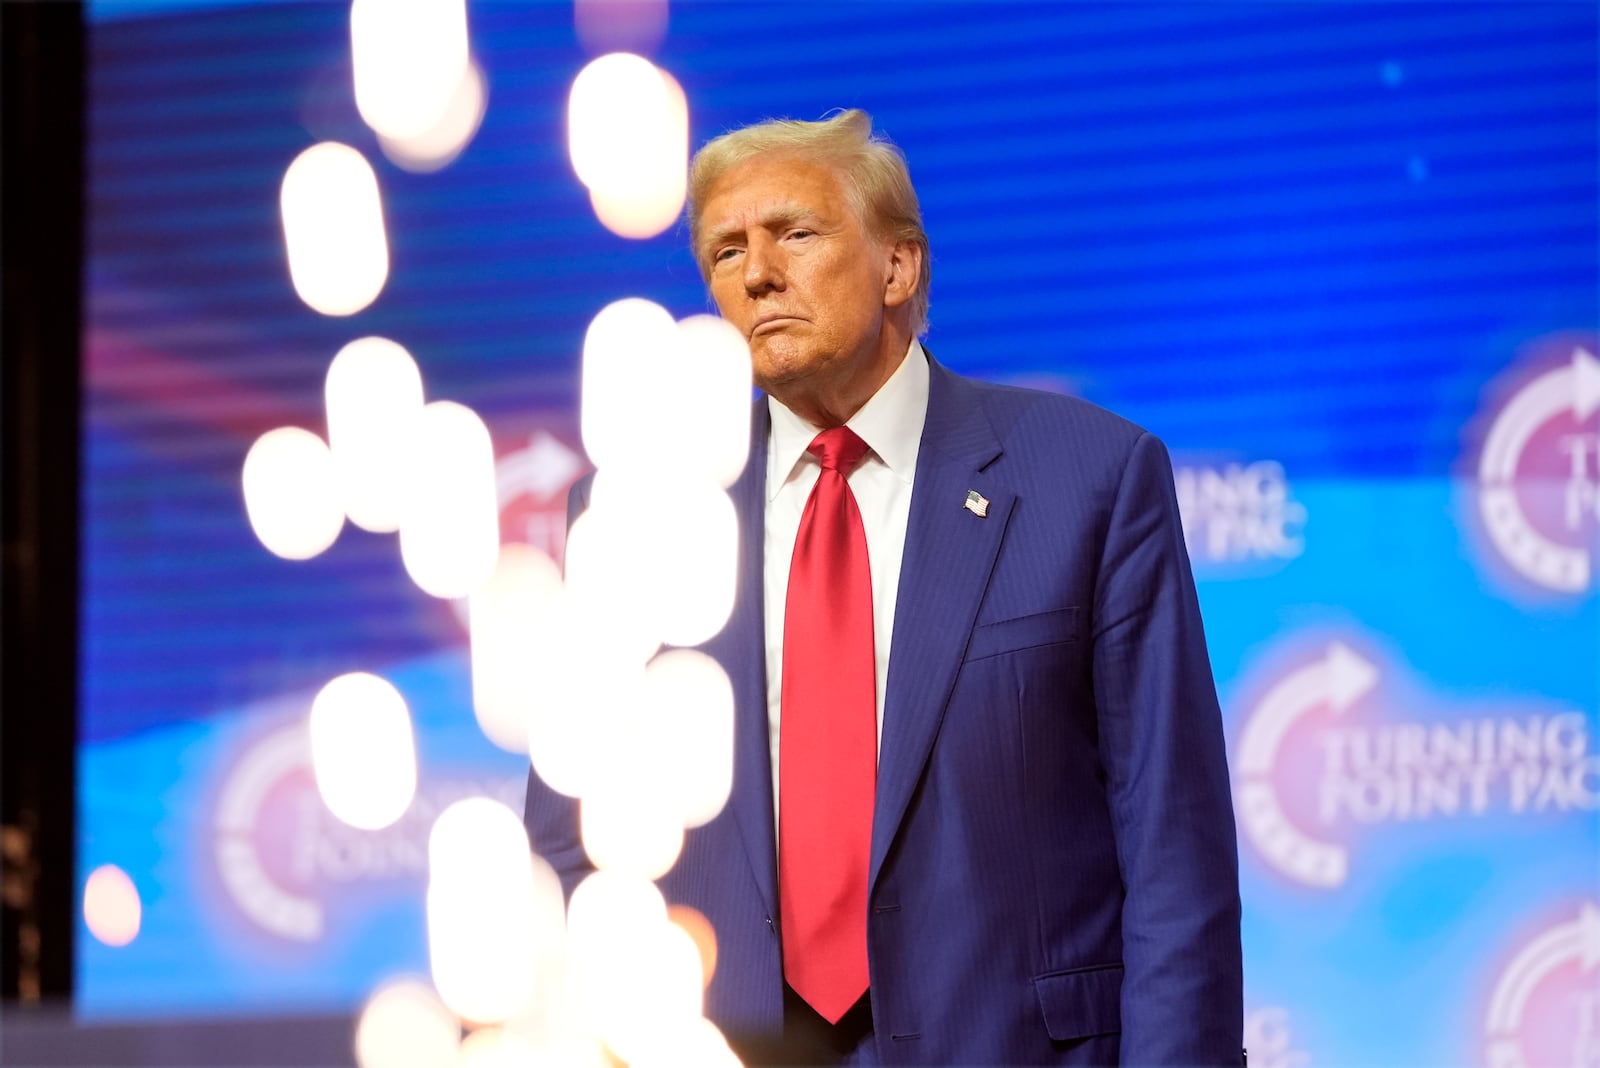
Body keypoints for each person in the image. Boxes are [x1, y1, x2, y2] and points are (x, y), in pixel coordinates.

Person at [525, 109, 1243, 1066]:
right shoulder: (638, 513)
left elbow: (1173, 854)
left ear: (899, 266)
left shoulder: (1089, 479)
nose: (756, 273)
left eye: (795, 234)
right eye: (724, 251)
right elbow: (574, 839)